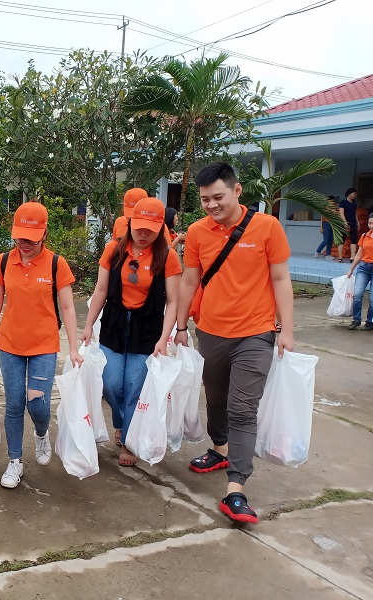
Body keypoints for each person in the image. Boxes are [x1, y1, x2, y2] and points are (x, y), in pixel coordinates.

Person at [174, 162, 294, 525]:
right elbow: (189, 281)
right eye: (205, 199)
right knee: (216, 400)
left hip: (256, 334)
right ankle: (219, 448)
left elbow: (280, 278)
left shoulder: (267, 227)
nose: (211, 205)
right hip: (210, 332)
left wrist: (286, 329)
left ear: (237, 191)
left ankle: (236, 488)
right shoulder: (197, 232)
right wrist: (180, 326)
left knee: (243, 409)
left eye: (218, 197)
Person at [0, 202, 83, 489]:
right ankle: (14, 462)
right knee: (13, 404)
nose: (23, 243)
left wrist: (73, 348)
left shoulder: (55, 264)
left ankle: (41, 432)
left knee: (37, 403)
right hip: (10, 344)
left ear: (44, 232)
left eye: (30, 238)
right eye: (19, 237)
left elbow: (68, 308)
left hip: (43, 346)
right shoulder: (3, 261)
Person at [82, 197, 181, 466]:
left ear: (161, 227)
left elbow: (173, 301)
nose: (143, 233)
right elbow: (101, 290)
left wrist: (164, 338)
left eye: (151, 228)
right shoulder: (114, 249)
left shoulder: (167, 256)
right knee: (112, 384)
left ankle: (128, 439)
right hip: (114, 324)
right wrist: (89, 325)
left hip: (147, 329)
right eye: (139, 227)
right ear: (130, 223)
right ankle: (122, 421)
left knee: (135, 386)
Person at [345, 214, 373, 330]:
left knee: (372, 299)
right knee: (357, 294)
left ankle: (369, 322)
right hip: (363, 268)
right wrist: (351, 269)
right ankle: (356, 319)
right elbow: (358, 254)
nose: (371, 226)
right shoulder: (365, 236)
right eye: (370, 223)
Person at [338, 188, 358, 263]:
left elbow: (354, 213)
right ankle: (340, 257)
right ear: (349, 194)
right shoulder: (343, 202)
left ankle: (352, 257)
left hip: (353, 223)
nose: (355, 195)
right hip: (344, 224)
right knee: (342, 239)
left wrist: (357, 221)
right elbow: (341, 213)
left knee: (354, 239)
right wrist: (345, 222)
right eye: (354, 194)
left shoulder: (354, 203)